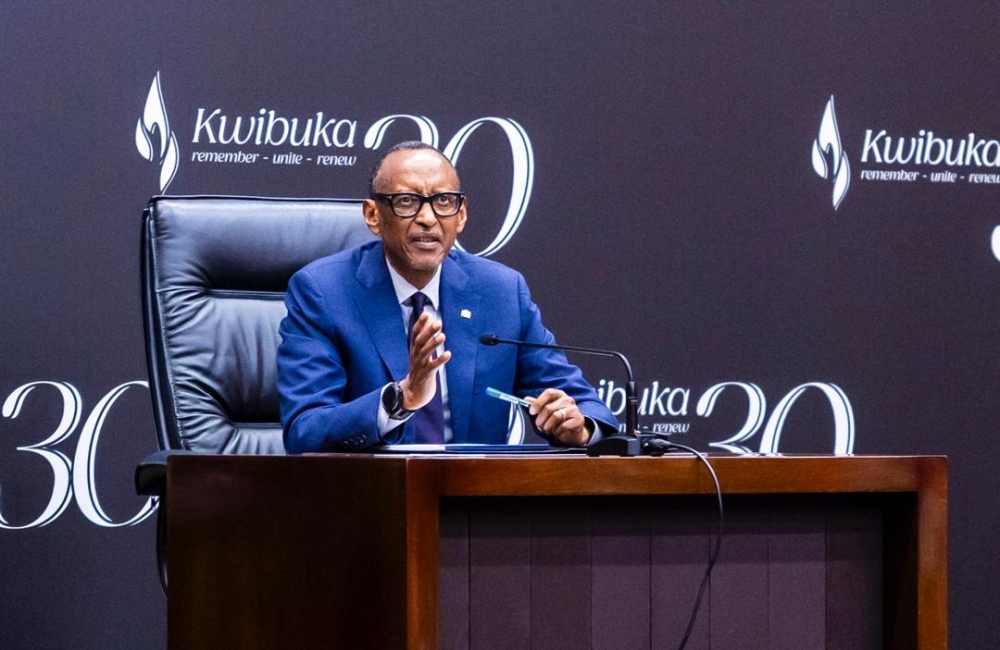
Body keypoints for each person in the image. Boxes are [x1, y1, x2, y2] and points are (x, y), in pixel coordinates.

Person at [277, 141, 618, 452]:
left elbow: (585, 406)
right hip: (373, 505)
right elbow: (305, 432)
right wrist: (400, 398)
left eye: (443, 201)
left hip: (475, 507)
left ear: (462, 214)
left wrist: (580, 428)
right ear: (373, 215)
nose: (427, 219)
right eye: (407, 201)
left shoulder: (501, 292)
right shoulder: (323, 292)